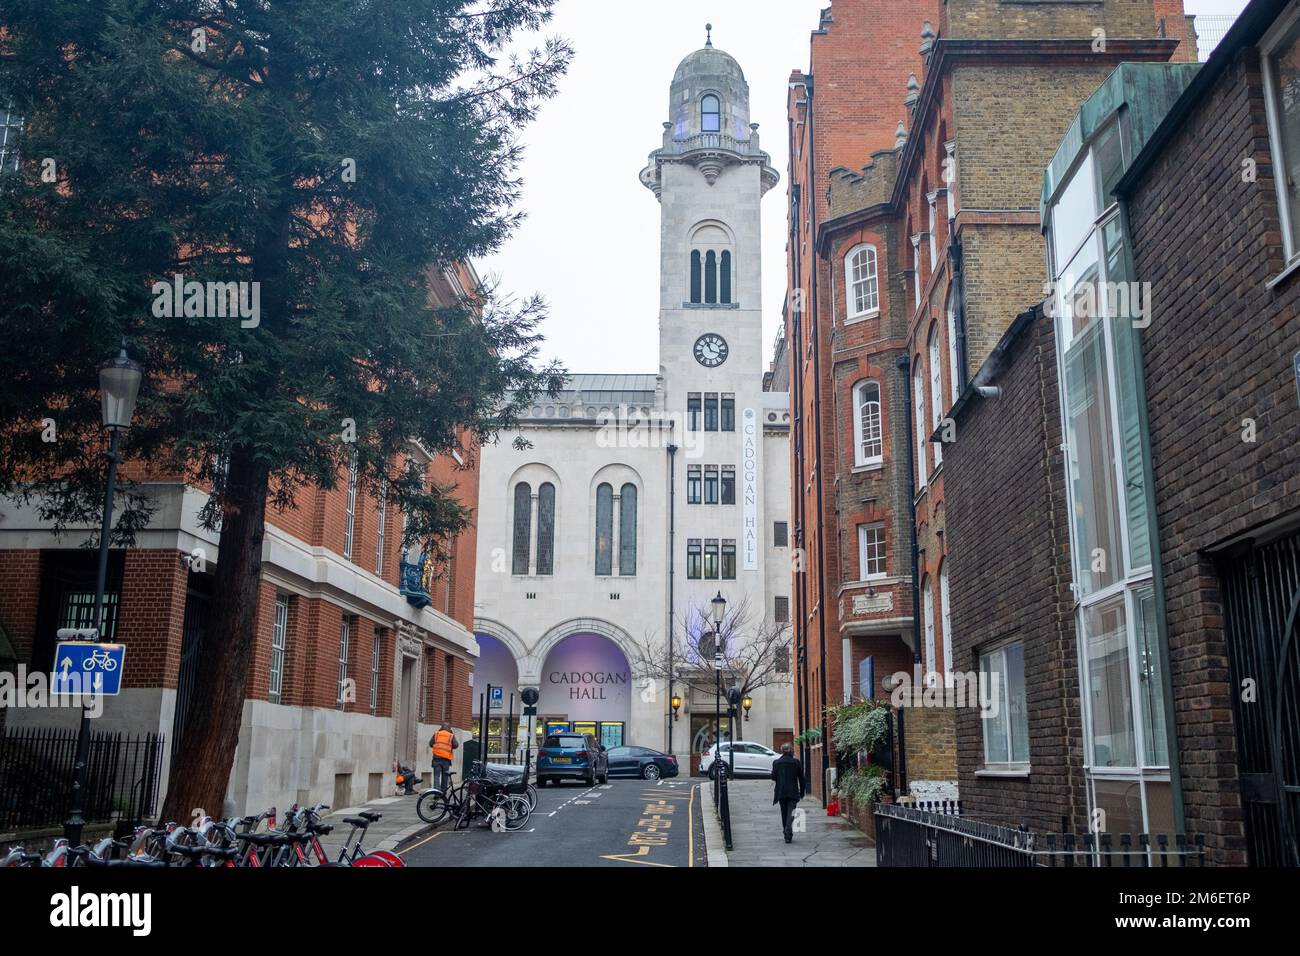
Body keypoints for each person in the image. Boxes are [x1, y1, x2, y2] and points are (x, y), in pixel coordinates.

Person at [770, 743, 805, 844]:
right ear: (791, 751)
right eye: (793, 750)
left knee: (784, 812)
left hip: (781, 791)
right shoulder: (796, 762)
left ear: (782, 751)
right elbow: (802, 779)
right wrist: (802, 792)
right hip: (793, 791)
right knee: (791, 812)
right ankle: (788, 831)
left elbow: (773, 777)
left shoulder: (776, 762)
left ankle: (786, 832)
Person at [429, 725, 458, 792]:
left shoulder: (436, 734)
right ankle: (443, 793)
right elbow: (456, 745)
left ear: (441, 728)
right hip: (446, 760)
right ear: (449, 729)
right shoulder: (451, 735)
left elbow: (430, 744)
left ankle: (436, 793)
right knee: (445, 777)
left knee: (436, 777)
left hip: (436, 759)